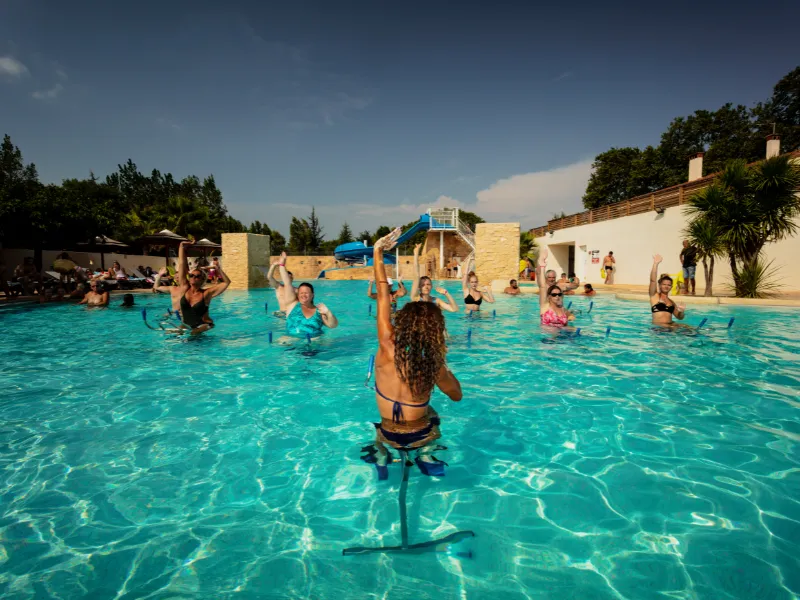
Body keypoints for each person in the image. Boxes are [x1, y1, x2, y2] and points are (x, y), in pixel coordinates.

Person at [361, 227, 462, 479]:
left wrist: (377, 251)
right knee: (433, 415)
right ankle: (426, 454)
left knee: (385, 430)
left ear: (403, 322)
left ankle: (381, 453)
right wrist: (444, 365)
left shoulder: (386, 344)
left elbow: (383, 294)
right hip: (419, 436)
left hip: (387, 433)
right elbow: (457, 396)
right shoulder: (433, 365)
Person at [278, 251, 338, 338]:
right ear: (298, 295)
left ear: (312, 295)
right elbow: (287, 283)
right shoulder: (292, 305)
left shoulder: (319, 311)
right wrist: (282, 265)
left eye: (306, 293)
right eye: (301, 293)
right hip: (291, 343)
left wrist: (328, 313)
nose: (303, 295)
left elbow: (333, 325)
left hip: (313, 346)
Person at [175, 241, 230, 334]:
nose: (193, 277)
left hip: (204, 324)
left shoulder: (206, 294)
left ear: (202, 280)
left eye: (197, 276)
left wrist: (218, 268)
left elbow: (226, 283)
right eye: (192, 275)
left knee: (194, 334)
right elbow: (181, 264)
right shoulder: (184, 288)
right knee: (170, 336)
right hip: (186, 324)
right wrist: (181, 246)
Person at [410, 244, 458, 312]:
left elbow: (454, 309)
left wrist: (446, 293)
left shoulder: (436, 301)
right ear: (419, 287)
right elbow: (416, 276)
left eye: (428, 284)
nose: (426, 287)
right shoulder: (415, 299)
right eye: (423, 285)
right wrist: (416, 254)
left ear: (431, 286)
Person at [536, 249, 574, 328]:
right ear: (549, 296)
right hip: (549, 338)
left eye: (559, 294)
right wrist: (542, 266)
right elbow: (542, 286)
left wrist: (570, 316)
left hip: (564, 336)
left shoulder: (562, 309)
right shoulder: (545, 306)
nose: (557, 296)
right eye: (554, 294)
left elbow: (568, 321)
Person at [649, 254, 685, 326]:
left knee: (687, 327)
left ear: (671, 287)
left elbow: (679, 317)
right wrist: (655, 264)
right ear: (659, 285)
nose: (666, 286)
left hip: (670, 326)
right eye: (664, 284)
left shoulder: (671, 302)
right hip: (659, 328)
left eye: (668, 285)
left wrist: (681, 312)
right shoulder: (654, 296)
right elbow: (653, 280)